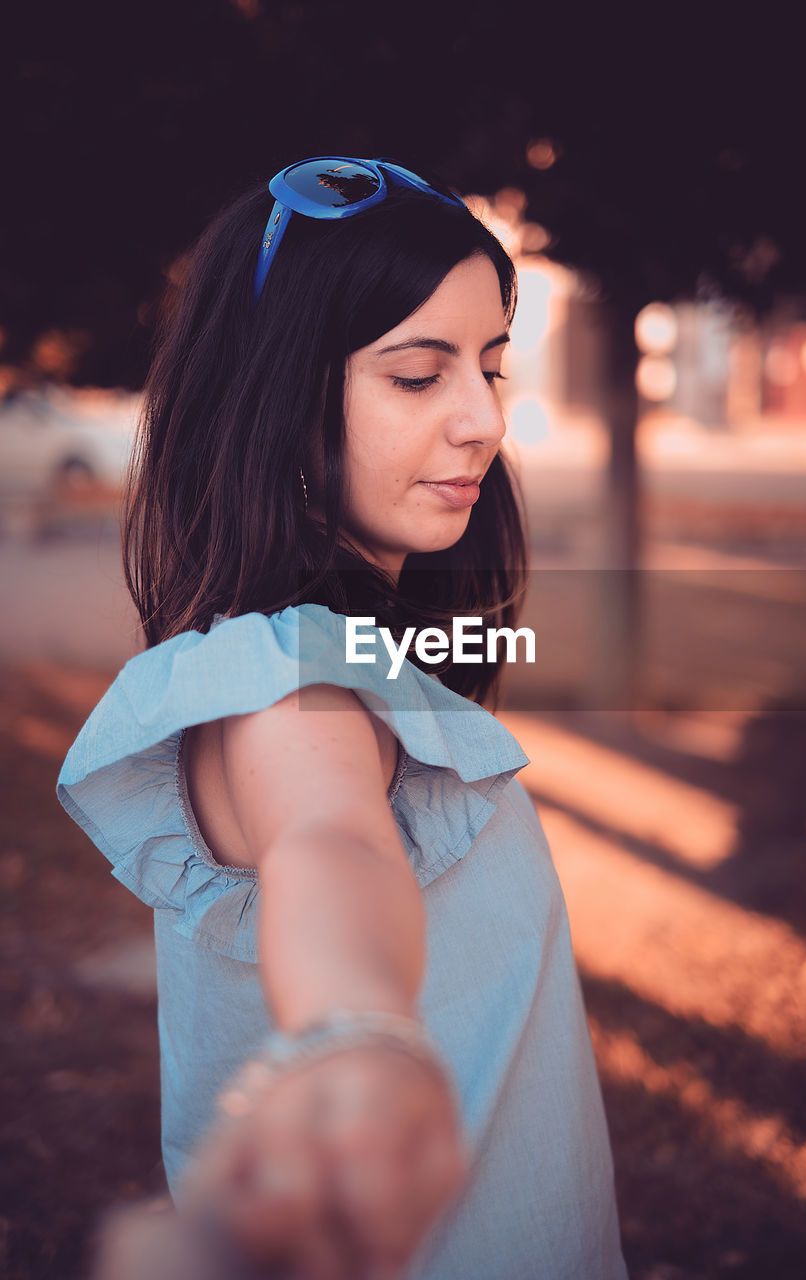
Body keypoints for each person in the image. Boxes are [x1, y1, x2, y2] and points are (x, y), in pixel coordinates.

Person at [57, 156, 628, 1280]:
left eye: (492, 365)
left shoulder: (346, 653)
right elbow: (333, 842)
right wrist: (354, 1037)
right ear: (279, 395)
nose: (480, 420)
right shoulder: (287, 679)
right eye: (417, 375)